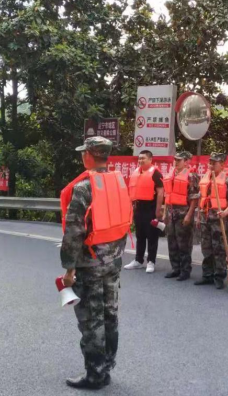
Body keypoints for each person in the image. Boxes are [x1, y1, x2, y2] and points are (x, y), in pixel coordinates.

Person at [60, 136, 132, 389]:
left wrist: (69, 269)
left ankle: (95, 374)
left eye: (84, 153)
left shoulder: (84, 188)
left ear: (89, 155)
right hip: (113, 260)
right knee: (110, 314)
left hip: (90, 263)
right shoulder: (118, 182)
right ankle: (107, 366)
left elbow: (74, 232)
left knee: (92, 320)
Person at [195, 152, 228, 289]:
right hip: (205, 217)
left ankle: (219, 276)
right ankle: (207, 275)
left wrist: (226, 212)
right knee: (206, 248)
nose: (211, 165)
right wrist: (198, 216)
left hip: (219, 218)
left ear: (222, 164)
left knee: (219, 249)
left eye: (214, 163)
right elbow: (201, 198)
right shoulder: (206, 176)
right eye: (210, 162)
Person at [124, 150, 164, 273]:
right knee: (140, 235)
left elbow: (161, 192)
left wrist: (158, 210)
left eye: (143, 158)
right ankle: (138, 260)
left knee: (152, 235)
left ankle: (151, 261)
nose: (141, 160)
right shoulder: (136, 172)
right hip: (138, 207)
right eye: (139, 158)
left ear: (150, 160)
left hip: (150, 208)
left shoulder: (155, 173)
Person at [163, 151, 200, 281]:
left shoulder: (191, 176)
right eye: (175, 160)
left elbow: (194, 199)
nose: (176, 162)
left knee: (184, 244)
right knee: (172, 242)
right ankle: (175, 268)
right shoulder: (171, 174)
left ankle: (185, 270)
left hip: (183, 213)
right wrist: (165, 213)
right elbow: (168, 196)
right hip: (171, 213)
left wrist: (189, 215)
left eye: (179, 160)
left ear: (186, 162)